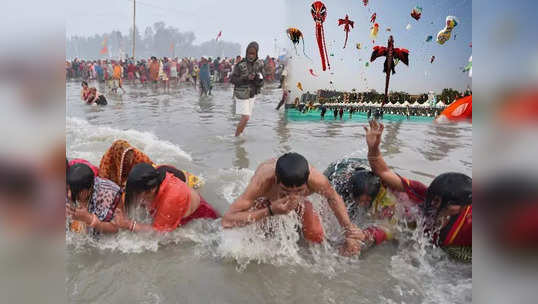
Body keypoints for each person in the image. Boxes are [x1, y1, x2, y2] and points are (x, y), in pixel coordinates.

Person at [335, 120, 472, 261]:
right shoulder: (422, 194)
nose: (465, 206)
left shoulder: (471, 221)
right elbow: (383, 172)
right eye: (457, 203)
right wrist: (373, 148)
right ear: (436, 199)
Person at [221, 153, 365, 256]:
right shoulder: (262, 182)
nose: (292, 196)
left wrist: (349, 231)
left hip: (300, 200)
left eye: (299, 191)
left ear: (307, 183)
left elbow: (334, 198)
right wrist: (270, 211)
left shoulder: (317, 180)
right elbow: (227, 220)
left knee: (316, 236)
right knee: (261, 235)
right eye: (285, 191)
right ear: (276, 180)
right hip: (267, 202)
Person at [112, 163, 219, 233]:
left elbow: (158, 234)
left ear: (150, 191)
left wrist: (127, 224)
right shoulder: (155, 173)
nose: (135, 197)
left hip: (205, 220)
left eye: (137, 194)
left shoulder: (171, 198)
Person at [66, 163, 121, 236]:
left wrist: (89, 219)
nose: (69, 195)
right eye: (67, 189)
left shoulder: (108, 194)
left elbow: (117, 228)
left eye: (74, 191)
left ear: (89, 190)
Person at [230, 41, 265, 137]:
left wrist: (257, 80)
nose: (251, 55)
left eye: (253, 53)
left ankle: (239, 135)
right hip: (241, 93)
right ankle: (236, 137)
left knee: (246, 118)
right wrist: (245, 78)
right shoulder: (240, 65)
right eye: (249, 53)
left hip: (252, 94)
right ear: (246, 52)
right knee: (245, 117)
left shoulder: (260, 65)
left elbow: (262, 81)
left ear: (256, 53)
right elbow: (232, 79)